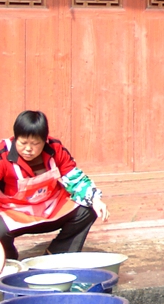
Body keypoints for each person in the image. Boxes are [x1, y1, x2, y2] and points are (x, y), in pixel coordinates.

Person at [0, 110, 109, 260]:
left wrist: (96, 200)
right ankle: (9, 261)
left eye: (35, 143)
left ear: (44, 141)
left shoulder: (55, 149)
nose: (28, 149)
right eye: (23, 142)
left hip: (51, 209)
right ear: (15, 138)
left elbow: (74, 178)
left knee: (87, 208)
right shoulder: (2, 155)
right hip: (15, 213)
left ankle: (56, 256)